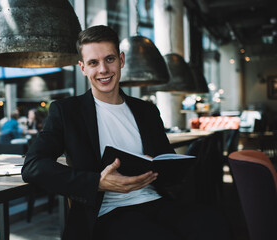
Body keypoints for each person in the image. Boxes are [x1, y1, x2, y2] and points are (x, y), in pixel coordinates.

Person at [22, 25, 230, 240]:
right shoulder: (67, 112)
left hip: (156, 201)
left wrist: (162, 166)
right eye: (94, 62)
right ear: (83, 68)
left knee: (213, 222)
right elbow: (33, 166)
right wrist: (97, 182)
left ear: (121, 60)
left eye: (109, 59)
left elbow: (168, 163)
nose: (103, 69)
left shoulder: (146, 110)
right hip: (107, 213)